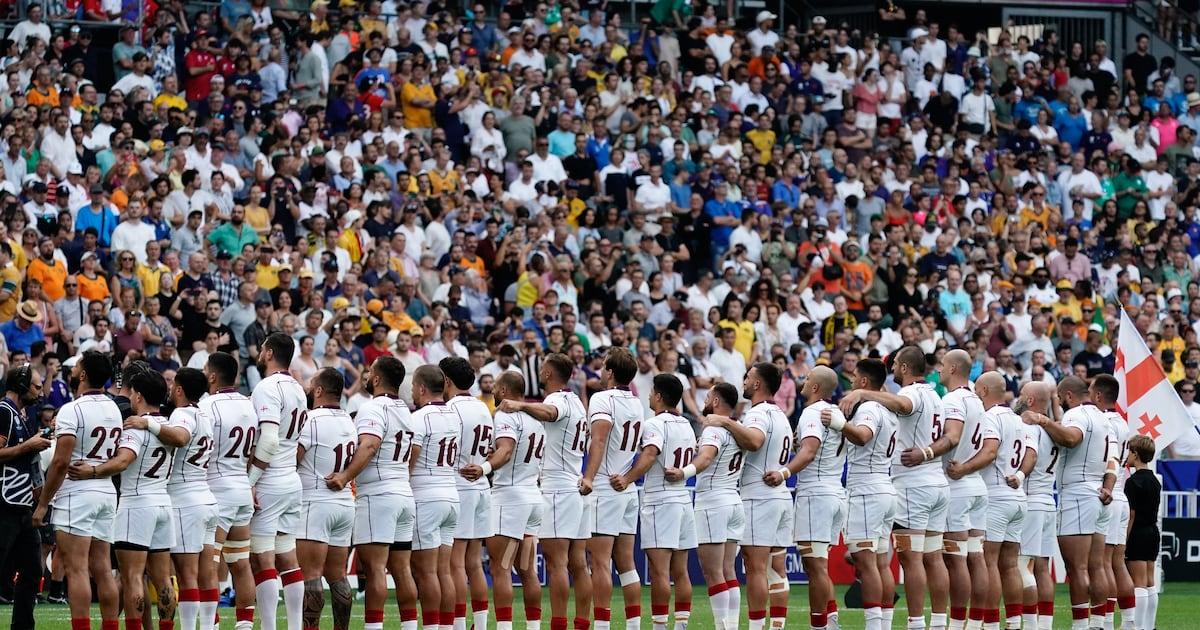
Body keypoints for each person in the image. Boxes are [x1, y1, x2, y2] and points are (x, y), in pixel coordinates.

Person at [840, 346, 949, 630]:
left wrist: (863, 393)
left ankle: (915, 623)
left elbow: (902, 405)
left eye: (896, 364)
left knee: (910, 560)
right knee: (934, 557)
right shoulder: (936, 395)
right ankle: (938, 622)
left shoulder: (910, 394)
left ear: (904, 367)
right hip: (936, 480)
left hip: (913, 484)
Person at [76, 368, 177, 630]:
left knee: (132, 577)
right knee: (163, 579)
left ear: (139, 395)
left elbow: (122, 461)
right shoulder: (169, 426)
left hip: (136, 505)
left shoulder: (134, 428)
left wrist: (94, 470)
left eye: (131, 392)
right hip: (163, 503)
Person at [498, 353, 593, 630]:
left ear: (549, 373)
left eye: (542, 369)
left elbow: (550, 413)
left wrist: (521, 405)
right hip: (575, 485)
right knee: (578, 563)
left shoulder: (557, 400)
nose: (539, 373)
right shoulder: (577, 400)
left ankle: (560, 624)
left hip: (557, 488)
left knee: (557, 565)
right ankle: (581, 624)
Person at [326, 356, 419, 630]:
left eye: (369, 372)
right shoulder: (406, 409)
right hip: (403, 492)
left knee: (376, 568)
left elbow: (369, 445)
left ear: (376, 379)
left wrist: (344, 476)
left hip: (378, 494)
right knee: (402, 570)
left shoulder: (372, 408)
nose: (366, 376)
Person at [122, 367, 219, 630]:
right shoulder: (205, 414)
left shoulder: (182, 413)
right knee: (207, 573)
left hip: (185, 499)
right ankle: (209, 627)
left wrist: (147, 423)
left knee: (186, 576)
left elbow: (180, 437)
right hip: (206, 498)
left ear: (178, 389)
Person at [32, 351, 122, 630]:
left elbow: (60, 462)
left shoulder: (73, 408)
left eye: (77, 366)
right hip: (106, 491)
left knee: (77, 568)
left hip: (77, 492)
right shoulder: (113, 408)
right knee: (103, 570)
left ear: (82, 374)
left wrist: (43, 503)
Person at [1019, 376, 1116, 630]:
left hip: (1079, 494)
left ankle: (1082, 626)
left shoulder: (1077, 415)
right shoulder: (1105, 418)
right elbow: (1113, 459)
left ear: (1069, 396)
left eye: (1060, 399)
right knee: (1097, 566)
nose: (1059, 403)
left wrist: (1042, 419)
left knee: (1078, 568)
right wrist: (1108, 485)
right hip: (1098, 491)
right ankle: (1100, 623)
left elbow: (1072, 439)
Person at [703, 362, 792, 630]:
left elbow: (754, 441)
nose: (743, 382)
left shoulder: (757, 414)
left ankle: (756, 627)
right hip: (781, 496)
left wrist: (723, 421)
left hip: (759, 496)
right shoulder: (781, 415)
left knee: (755, 568)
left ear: (757, 384)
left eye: (748, 378)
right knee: (776, 569)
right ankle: (776, 625)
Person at [611, 374, 695, 630]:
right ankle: (680, 625)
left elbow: (649, 455)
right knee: (681, 572)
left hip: (661, 501)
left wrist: (627, 479)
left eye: (651, 392)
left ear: (659, 396)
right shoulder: (687, 425)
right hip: (683, 499)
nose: (648, 395)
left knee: (660, 571)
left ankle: (659, 627)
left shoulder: (654, 425)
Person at [462, 370, 545, 630]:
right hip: (533, 496)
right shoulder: (537, 420)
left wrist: (485, 467)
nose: (494, 390)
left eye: (496, 386)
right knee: (527, 570)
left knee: (500, 568)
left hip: (510, 498)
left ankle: (504, 628)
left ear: (505, 390)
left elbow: (507, 451)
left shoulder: (506, 415)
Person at [771, 365, 847, 630]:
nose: (803, 381)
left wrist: (784, 472)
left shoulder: (811, 413)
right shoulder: (837, 412)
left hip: (816, 494)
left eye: (808, 378)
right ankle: (832, 619)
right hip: (835, 490)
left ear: (815, 387)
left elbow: (810, 451)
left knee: (815, 569)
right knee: (820, 566)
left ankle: (819, 626)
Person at [247, 332, 310, 630]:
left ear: (269, 353)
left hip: (271, 480)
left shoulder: (266, 387)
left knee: (262, 559)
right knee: (288, 558)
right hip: (291, 480)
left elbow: (269, 440)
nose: (259, 353)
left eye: (262, 349)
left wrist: (251, 480)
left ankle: (270, 627)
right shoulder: (298, 387)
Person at [581, 347, 645, 630]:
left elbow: (599, 440)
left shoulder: (602, 398)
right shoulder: (637, 402)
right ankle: (633, 625)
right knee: (626, 563)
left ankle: (602, 626)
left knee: (600, 562)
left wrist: (589, 477)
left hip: (605, 488)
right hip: (626, 488)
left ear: (609, 372)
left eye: (604, 365)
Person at [833, 357, 898, 630]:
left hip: (866, 490)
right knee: (881, 563)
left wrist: (838, 423)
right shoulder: (888, 409)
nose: (850, 380)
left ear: (864, 381)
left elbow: (862, 435)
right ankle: (883, 625)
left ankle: (873, 627)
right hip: (884, 485)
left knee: (866, 562)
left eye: (854, 376)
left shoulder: (869, 408)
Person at [967, 371, 1032, 630]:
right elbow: (1030, 452)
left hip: (995, 494)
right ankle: (1014, 623)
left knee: (989, 562)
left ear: (983, 391)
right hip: (1017, 495)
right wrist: (1020, 474)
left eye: (976, 390)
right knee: (1010, 564)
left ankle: (992, 624)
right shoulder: (1017, 420)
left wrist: (964, 467)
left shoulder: (990, 417)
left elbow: (990, 451)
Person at [199, 352, 259, 630]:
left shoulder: (207, 406)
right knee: (240, 562)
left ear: (212, 376)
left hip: (217, 488)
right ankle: (245, 625)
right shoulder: (249, 405)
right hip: (241, 486)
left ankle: (211, 623)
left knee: (208, 563)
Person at [295, 367, 356, 630]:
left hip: (315, 501)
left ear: (318, 390)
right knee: (338, 575)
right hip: (344, 502)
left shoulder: (310, 420)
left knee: (310, 576)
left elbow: (293, 459)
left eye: (311, 383)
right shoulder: (349, 421)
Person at [682, 382, 743, 630]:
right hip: (733, 498)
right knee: (728, 570)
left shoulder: (713, 429)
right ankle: (732, 626)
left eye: (707, 396)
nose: (705, 401)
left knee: (713, 572)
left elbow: (706, 457)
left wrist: (684, 472)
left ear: (716, 401)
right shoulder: (738, 429)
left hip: (713, 502)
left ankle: (722, 627)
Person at [938, 349, 991, 629]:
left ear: (954, 368)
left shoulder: (953, 400)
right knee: (976, 557)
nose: (938, 369)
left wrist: (926, 451)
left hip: (956, 485)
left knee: (956, 560)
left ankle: (958, 624)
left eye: (943, 365)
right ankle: (974, 622)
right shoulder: (978, 401)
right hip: (976, 485)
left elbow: (952, 436)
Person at [409, 364, 461, 630]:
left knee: (426, 572)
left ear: (421, 388)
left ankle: (431, 627)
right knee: (444, 571)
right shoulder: (455, 415)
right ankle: (446, 627)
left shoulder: (419, 418)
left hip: (427, 496)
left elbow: (412, 458)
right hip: (451, 494)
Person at [443, 356, 494, 630]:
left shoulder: (450, 408)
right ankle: (481, 624)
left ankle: (460, 624)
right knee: (475, 562)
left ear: (446, 380)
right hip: (481, 485)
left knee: (456, 562)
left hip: (459, 483)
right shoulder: (483, 408)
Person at [0, 364, 51, 630]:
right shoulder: (3, 412)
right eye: (36, 386)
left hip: (23, 507)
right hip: (4, 504)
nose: (40, 393)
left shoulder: (20, 415)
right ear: (21, 385)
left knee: (32, 573)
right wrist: (30, 445)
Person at [1013, 382, 1059, 630]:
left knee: (1021, 566)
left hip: (1031, 500)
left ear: (1030, 401)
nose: (1018, 398)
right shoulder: (1053, 429)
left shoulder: (1029, 426)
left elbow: (1028, 456)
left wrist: (1018, 475)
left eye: (1021, 395)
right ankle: (1045, 625)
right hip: (1048, 500)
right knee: (1042, 568)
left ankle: (1030, 625)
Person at [1092, 374, 1137, 630]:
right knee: (1118, 563)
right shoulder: (1123, 422)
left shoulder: (1103, 422)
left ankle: (1106, 622)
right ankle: (1129, 622)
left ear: (1099, 394)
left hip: (1107, 494)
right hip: (1120, 492)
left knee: (1102, 564)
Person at [1124, 434, 1161, 630]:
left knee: (1138, 584)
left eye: (1129, 451)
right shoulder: (1155, 480)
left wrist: (1124, 540)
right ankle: (1149, 625)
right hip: (1153, 532)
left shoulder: (1133, 482)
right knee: (1149, 582)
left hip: (1138, 532)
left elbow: (1131, 514)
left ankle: (1138, 627)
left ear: (1135, 454)